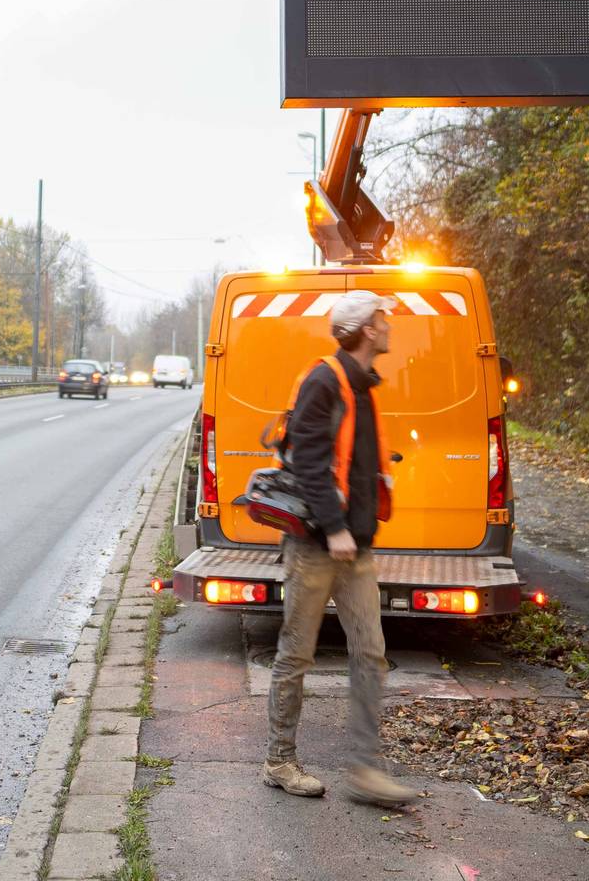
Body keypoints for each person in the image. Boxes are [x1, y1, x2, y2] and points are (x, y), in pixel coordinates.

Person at [263, 290, 418, 808]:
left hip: (356, 548)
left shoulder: (364, 385)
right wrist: (333, 527)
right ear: (368, 329)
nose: (390, 322)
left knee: (370, 653)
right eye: (384, 316)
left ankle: (366, 770)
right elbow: (306, 463)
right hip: (316, 547)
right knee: (297, 653)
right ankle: (280, 760)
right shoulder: (323, 380)